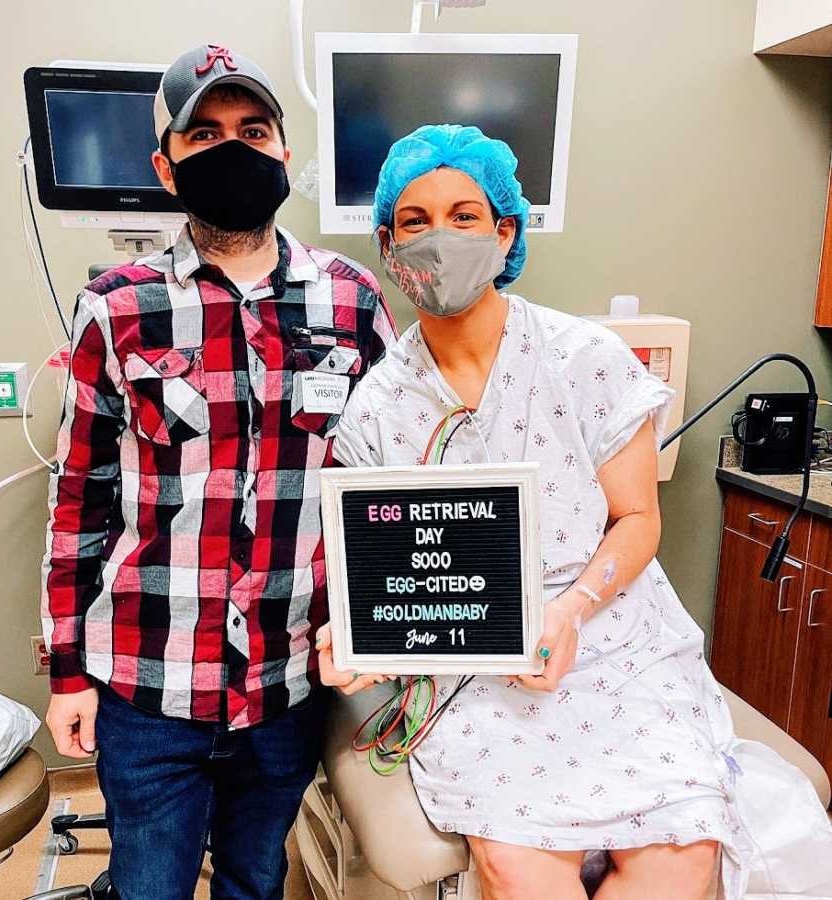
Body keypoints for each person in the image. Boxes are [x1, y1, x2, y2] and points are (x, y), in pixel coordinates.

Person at [318, 124, 832, 899]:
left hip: (612, 639)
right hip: (477, 665)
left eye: (464, 216)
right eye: (415, 223)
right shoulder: (376, 410)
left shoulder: (584, 360)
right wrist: (359, 642)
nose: (440, 240)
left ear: (506, 230)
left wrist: (571, 607)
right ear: (388, 248)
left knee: (678, 859)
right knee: (518, 869)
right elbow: (392, 578)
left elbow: (638, 521)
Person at [41, 43, 396, 900]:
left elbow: (384, 491)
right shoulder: (118, 309)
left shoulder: (353, 302)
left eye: (253, 129)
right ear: (167, 167)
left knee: (253, 881)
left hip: (288, 681)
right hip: (147, 683)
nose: (232, 147)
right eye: (204, 134)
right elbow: (78, 499)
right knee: (150, 886)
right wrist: (65, 671)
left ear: (282, 153)